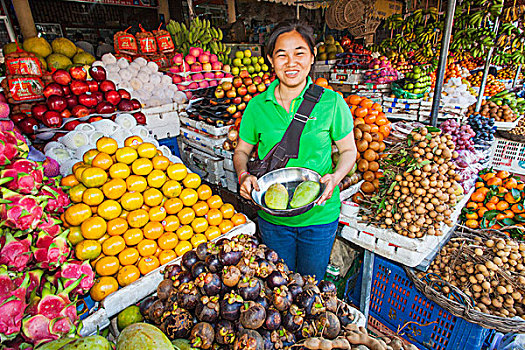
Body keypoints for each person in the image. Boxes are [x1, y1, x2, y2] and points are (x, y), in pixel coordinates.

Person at [233, 21, 357, 280]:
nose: (291, 62)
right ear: (270, 59)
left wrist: (336, 177)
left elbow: (348, 151)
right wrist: (243, 175)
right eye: (282, 54)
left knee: (311, 286)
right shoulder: (257, 107)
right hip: (274, 220)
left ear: (312, 56)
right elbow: (241, 152)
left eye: (299, 53)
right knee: (279, 286)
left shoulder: (332, 102)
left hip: (320, 217)